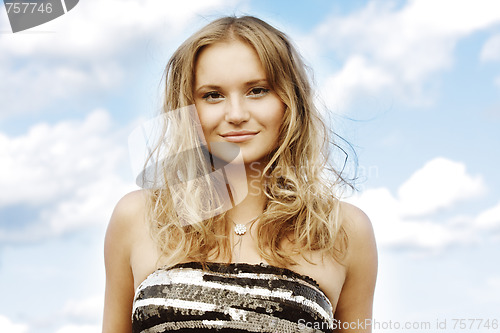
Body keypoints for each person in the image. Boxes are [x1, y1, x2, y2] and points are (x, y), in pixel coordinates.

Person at [102, 15, 377, 333]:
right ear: (188, 109)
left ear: (289, 102)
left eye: (257, 90)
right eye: (212, 95)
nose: (235, 114)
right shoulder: (137, 216)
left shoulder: (344, 230)